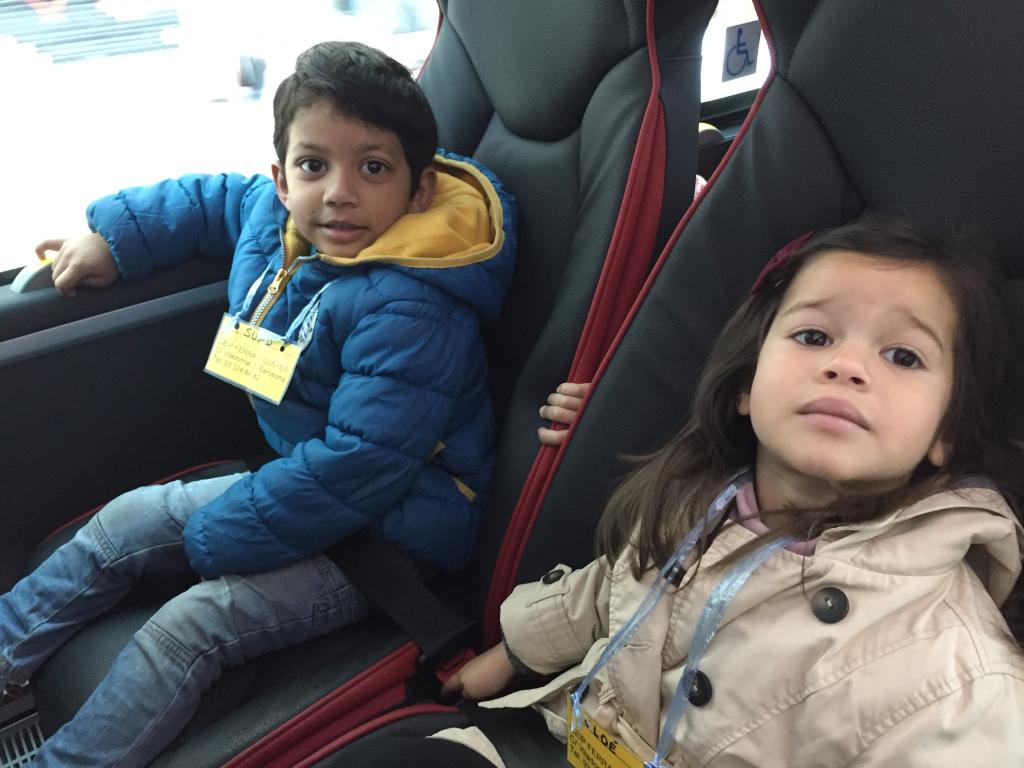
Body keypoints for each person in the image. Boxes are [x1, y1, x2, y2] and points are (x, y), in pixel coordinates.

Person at [337, 216, 1024, 766]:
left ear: (946, 432)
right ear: (747, 387)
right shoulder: (693, 502)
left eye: (903, 355)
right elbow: (612, 588)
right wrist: (514, 650)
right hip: (568, 739)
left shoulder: (957, 676)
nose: (846, 365)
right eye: (814, 335)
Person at [0, 41, 515, 767]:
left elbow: (357, 467)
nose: (338, 192)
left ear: (420, 189)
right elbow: (210, 200)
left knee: (191, 627)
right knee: (122, 524)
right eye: (313, 165)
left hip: (390, 534)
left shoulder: (413, 308)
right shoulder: (279, 219)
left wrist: (216, 536)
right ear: (281, 177)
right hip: (302, 482)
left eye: (373, 168)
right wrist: (115, 237)